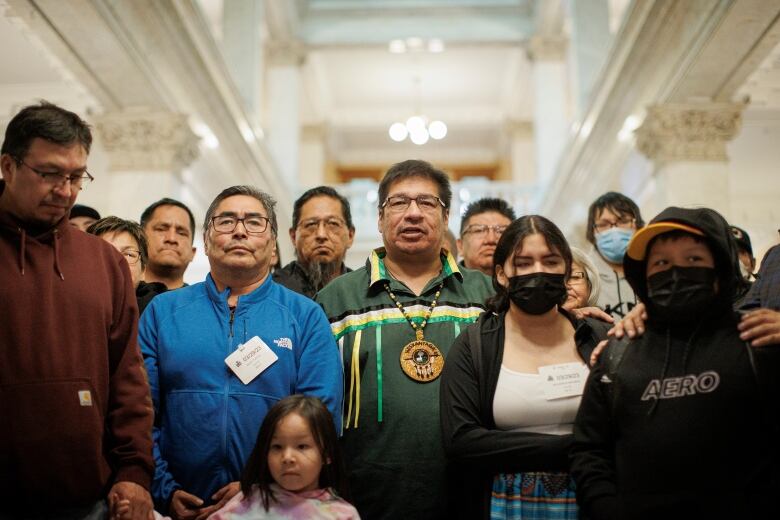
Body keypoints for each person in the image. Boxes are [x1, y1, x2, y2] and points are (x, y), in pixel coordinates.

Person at [139, 185, 343, 519]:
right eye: (226, 221)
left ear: (273, 246)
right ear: (206, 240)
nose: (239, 230)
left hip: (272, 506)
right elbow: (139, 410)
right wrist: (165, 488)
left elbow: (320, 417)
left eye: (253, 222)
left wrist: (258, 485)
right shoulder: (163, 312)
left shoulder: (305, 317)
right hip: (175, 504)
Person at [571, 206, 780, 519]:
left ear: (720, 269)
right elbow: (589, 450)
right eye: (661, 263)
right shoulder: (618, 353)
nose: (676, 272)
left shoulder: (759, 340)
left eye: (694, 260)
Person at [316, 160, 494, 519]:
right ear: (380, 219)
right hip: (364, 493)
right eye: (399, 203)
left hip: (472, 491)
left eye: (427, 203)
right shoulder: (336, 299)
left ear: (445, 218)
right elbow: (315, 404)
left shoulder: (486, 294)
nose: (413, 213)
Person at [0, 102, 154, 517]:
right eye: (50, 173)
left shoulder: (102, 262)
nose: (65, 191)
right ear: (8, 166)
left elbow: (128, 377)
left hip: (88, 499)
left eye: (76, 176)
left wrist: (134, 472)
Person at [440, 215, 608, 520]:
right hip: (505, 503)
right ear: (502, 273)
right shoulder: (475, 344)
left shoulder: (597, 335)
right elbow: (462, 441)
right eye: (524, 262)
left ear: (567, 270)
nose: (539, 271)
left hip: (594, 497)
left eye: (551, 260)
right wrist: (577, 447)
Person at [209, 395, 359, 520]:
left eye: (302, 447)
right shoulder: (246, 501)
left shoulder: (342, 515)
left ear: (327, 454)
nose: (287, 457)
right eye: (277, 447)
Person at [274, 186, 355, 298]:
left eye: (333, 224)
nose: (321, 235)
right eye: (311, 224)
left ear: (350, 235)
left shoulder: (363, 291)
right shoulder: (274, 291)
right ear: (293, 236)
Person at [87, 216, 168, 314]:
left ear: (143, 271)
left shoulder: (162, 314)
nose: (117, 262)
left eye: (129, 254)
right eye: (105, 252)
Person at [585, 192, 644, 318]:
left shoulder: (654, 268)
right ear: (592, 232)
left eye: (622, 221)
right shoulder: (584, 278)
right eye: (603, 224)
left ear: (637, 224)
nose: (614, 230)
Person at [140, 198, 197, 289]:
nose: (171, 239)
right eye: (161, 229)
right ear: (140, 242)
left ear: (192, 252)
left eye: (181, 233)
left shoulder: (202, 302)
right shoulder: (117, 298)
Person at [457, 197, 516, 276]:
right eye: (479, 230)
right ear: (460, 246)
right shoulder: (445, 286)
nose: (491, 239)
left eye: (501, 231)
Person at [563, 246, 601, 311]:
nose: (565, 285)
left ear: (590, 284)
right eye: (555, 279)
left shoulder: (604, 320)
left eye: (573, 277)